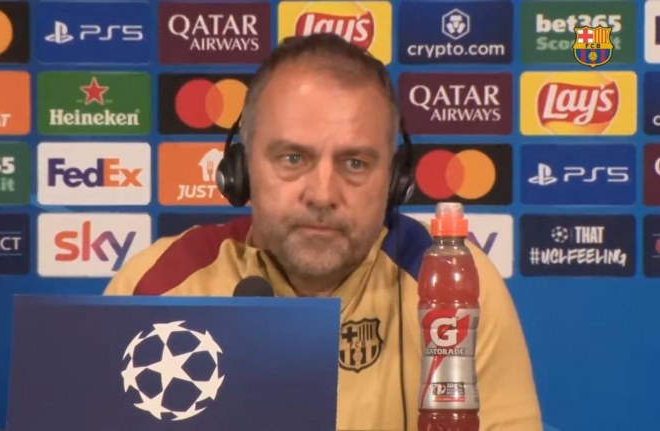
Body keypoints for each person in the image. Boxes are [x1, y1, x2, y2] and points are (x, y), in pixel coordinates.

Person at [105, 33, 541, 430]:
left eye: (355, 163)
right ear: (241, 169)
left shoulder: (450, 283)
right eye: (293, 159)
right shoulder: (157, 287)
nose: (323, 194)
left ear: (395, 181)